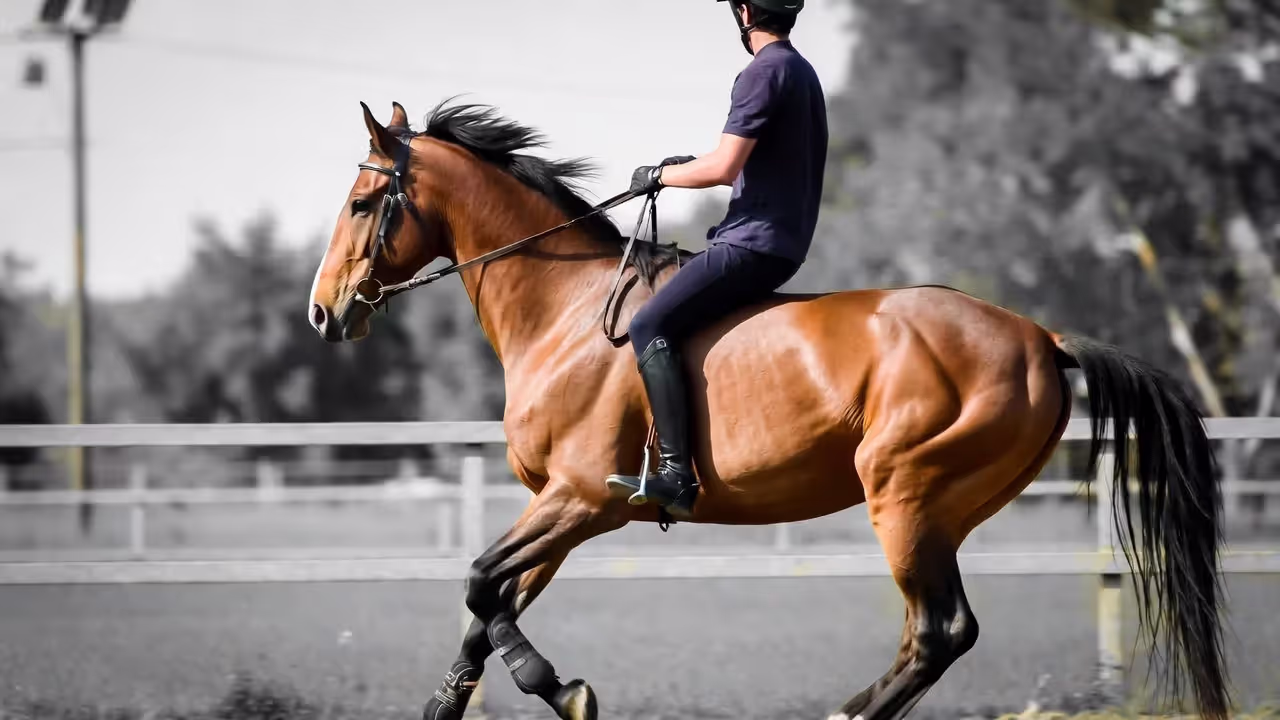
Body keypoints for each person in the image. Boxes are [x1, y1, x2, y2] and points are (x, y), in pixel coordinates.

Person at [626, 0, 828, 517]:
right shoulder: (801, 71)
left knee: (649, 322)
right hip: (781, 243)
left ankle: (675, 474)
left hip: (751, 243)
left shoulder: (762, 72)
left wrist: (659, 176)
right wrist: (685, 163)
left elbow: (724, 166)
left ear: (743, 12)